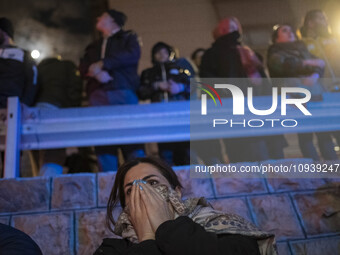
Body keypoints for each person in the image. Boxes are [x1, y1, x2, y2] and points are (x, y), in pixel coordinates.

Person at [94, 157, 277, 255]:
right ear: (127, 205)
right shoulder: (112, 250)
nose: (144, 193)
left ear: (177, 192)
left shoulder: (224, 229)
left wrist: (166, 227)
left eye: (153, 183)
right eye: (131, 190)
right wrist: (147, 240)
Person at [79, 9, 144, 171]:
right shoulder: (93, 46)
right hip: (97, 95)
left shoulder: (128, 38)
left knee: (131, 138)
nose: (98, 17)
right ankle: (110, 187)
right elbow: (83, 66)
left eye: (103, 16)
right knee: (103, 141)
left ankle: (139, 182)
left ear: (113, 20)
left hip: (122, 91)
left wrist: (103, 64)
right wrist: (95, 73)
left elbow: (132, 55)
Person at [200, 17, 271, 163]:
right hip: (231, 106)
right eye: (228, 26)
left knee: (256, 146)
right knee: (240, 147)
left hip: (250, 105)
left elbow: (262, 79)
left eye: (234, 26)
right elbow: (209, 82)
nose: (232, 28)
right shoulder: (214, 54)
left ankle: (259, 180)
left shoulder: (247, 52)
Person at [267, 24, 337, 160]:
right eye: (284, 31)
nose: (290, 33)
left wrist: (314, 75)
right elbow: (283, 66)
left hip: (315, 94)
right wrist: (308, 64)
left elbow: (321, 64)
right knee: (306, 134)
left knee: (323, 132)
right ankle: (314, 169)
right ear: (276, 38)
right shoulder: (274, 52)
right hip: (295, 96)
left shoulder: (302, 49)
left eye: (291, 30)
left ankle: (333, 166)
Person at [138, 42, 191, 165]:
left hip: (181, 118)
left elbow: (195, 87)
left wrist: (180, 87)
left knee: (186, 151)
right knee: (165, 153)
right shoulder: (149, 73)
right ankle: (170, 180)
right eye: (158, 53)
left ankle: (187, 181)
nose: (162, 55)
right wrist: (156, 86)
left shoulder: (181, 70)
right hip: (161, 118)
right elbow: (142, 92)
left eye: (164, 52)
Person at [0, 17, 38, 108]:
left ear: (4, 32)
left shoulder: (23, 54)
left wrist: (25, 103)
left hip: (10, 108)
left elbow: (33, 80)